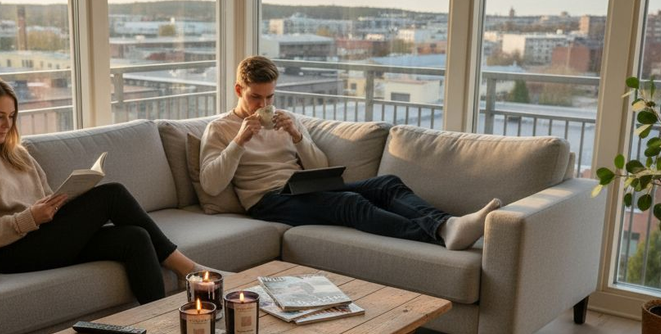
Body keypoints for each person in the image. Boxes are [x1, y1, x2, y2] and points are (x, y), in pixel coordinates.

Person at [0, 75, 202, 304]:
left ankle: (158, 324)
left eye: (12, 116)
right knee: (113, 194)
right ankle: (189, 271)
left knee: (135, 238)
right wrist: (29, 219)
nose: (7, 125)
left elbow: (45, 199)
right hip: (6, 254)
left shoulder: (17, 154)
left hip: (41, 238)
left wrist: (61, 205)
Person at [199, 56, 501, 250]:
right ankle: (439, 232)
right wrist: (240, 140)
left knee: (386, 183)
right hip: (266, 201)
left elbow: (320, 165)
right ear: (239, 90)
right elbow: (212, 184)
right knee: (349, 203)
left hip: (302, 188)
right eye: (255, 97)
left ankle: (448, 224)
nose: (263, 105)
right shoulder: (220, 129)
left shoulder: (287, 119)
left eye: (270, 96)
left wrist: (297, 135)